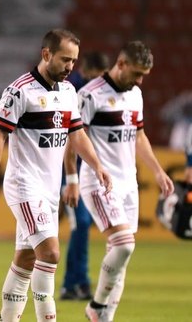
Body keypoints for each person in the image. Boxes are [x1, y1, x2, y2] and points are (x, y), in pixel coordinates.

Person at [0, 29, 112, 322]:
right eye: (65, 59)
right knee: (50, 253)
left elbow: (77, 134)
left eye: (74, 61)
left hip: (49, 189)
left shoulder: (67, 93)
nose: (70, 66)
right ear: (46, 54)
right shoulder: (19, 91)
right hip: (24, 185)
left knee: (26, 259)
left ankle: (7, 318)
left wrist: (97, 165)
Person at [77, 41, 174, 321]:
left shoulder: (136, 95)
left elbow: (139, 136)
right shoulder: (90, 95)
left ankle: (104, 317)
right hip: (100, 181)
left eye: (144, 74)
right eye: (137, 73)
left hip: (129, 182)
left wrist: (157, 170)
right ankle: (95, 306)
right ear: (121, 64)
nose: (140, 80)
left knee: (120, 257)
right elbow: (76, 137)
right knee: (124, 244)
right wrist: (75, 175)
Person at [60, 51, 110, 301]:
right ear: (86, 71)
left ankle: (76, 283)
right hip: (69, 175)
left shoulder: (90, 92)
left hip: (85, 173)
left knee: (82, 226)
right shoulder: (74, 90)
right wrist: (70, 180)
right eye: (96, 77)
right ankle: (75, 282)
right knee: (80, 225)